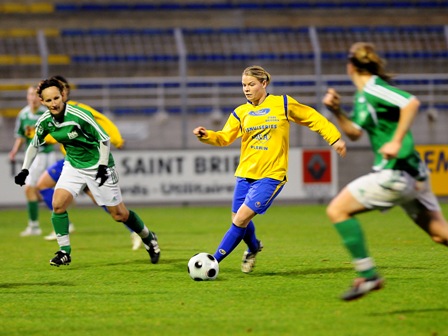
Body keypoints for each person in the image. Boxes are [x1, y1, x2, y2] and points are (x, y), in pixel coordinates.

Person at [322, 41, 448, 301]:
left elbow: (410, 102)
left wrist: (396, 140)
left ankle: (368, 276)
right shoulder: (362, 97)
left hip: (396, 172)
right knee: (440, 234)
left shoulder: (374, 89)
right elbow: (355, 133)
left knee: (337, 209)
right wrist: (336, 111)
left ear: (351, 67)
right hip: (412, 174)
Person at [193, 65, 346, 274]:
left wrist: (334, 138)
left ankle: (212, 261)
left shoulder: (282, 104)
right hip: (245, 174)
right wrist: (207, 135)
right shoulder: (241, 112)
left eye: (251, 84)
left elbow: (312, 117)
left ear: (264, 84)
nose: (246, 89)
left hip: (271, 175)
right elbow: (224, 138)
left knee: (240, 220)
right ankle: (254, 247)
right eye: (244, 85)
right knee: (239, 220)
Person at [14, 78, 160, 266]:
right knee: (58, 204)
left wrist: (101, 166)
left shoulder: (79, 115)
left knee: (119, 215)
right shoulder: (45, 121)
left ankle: (148, 237)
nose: (54, 103)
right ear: (42, 102)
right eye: (48, 100)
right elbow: (34, 145)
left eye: (56, 98)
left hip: (99, 164)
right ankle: (64, 251)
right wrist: (25, 170)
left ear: (63, 96)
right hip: (73, 165)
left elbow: (104, 139)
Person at [38, 76, 142, 251]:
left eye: (60, 91)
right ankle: (66, 222)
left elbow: (102, 120)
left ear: (65, 92)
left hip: (87, 162)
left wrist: (117, 139)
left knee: (111, 209)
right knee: (43, 185)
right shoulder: (53, 114)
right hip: (71, 162)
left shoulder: (78, 109)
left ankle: (135, 231)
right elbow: (51, 135)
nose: (56, 96)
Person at [9, 86, 57, 237]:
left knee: (32, 188)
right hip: (33, 156)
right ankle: (58, 222)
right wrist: (15, 150)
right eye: (30, 95)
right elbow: (21, 136)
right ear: (27, 97)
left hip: (45, 155)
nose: (33, 98)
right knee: (39, 189)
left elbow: (55, 134)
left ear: (40, 98)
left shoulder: (46, 113)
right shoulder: (23, 114)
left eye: (36, 95)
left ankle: (35, 226)